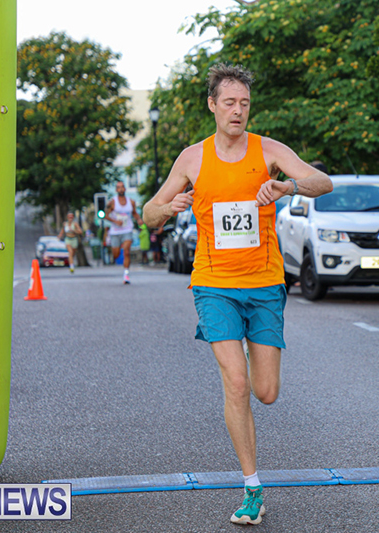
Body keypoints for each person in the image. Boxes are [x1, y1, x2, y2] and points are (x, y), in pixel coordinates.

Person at [143, 63, 332, 526]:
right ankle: (252, 488)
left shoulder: (268, 150)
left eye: (244, 103)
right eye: (229, 102)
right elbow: (149, 213)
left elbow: (324, 182)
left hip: (264, 283)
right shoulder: (192, 159)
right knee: (237, 382)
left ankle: (252, 357)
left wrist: (287, 186)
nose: (238, 110)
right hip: (214, 285)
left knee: (265, 392)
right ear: (212, 105)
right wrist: (169, 207)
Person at [105, 181, 143, 284]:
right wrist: (115, 221)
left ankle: (126, 274)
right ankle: (116, 254)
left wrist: (139, 220)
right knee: (116, 254)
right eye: (119, 187)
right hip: (115, 231)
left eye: (122, 187)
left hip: (127, 229)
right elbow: (105, 215)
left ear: (125, 189)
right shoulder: (112, 202)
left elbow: (134, 213)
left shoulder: (131, 202)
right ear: (116, 190)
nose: (121, 189)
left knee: (126, 251)